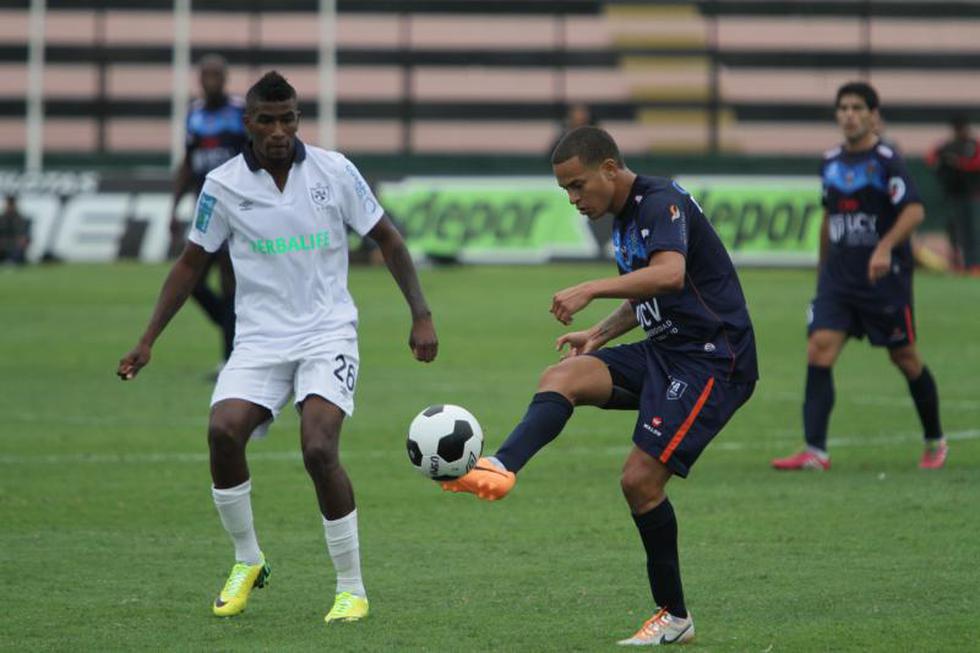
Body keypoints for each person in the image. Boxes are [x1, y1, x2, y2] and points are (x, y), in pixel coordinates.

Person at [118, 71, 438, 623]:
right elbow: (191, 263)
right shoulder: (222, 185)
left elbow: (387, 238)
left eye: (287, 118)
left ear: (297, 118)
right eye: (266, 120)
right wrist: (148, 340)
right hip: (260, 338)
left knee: (318, 448)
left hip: (327, 331)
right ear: (248, 123)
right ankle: (248, 560)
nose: (278, 130)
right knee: (222, 432)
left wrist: (421, 314)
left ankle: (351, 588)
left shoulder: (335, 171)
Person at [442, 126, 758, 646]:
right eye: (564, 189)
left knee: (639, 482)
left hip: (711, 359)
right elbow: (645, 297)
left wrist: (590, 287)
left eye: (577, 185)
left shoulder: (662, 202)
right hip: (666, 350)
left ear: (609, 169)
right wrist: (600, 332)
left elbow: (669, 275)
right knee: (563, 375)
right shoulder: (626, 217)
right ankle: (499, 467)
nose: (572, 199)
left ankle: (675, 618)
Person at [772, 82, 946, 472]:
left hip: (884, 280)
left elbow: (914, 212)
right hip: (839, 279)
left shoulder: (887, 160)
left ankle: (935, 439)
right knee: (819, 348)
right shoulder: (830, 161)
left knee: (904, 357)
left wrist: (884, 248)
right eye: (843, 107)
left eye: (856, 107)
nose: (849, 114)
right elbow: (829, 216)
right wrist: (822, 270)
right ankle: (815, 451)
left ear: (872, 115)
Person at [170, 54, 248, 374]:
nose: (211, 80)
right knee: (192, 281)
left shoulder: (240, 112)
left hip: (236, 208)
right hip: (206, 210)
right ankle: (232, 326)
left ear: (226, 77)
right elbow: (188, 163)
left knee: (229, 280)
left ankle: (229, 360)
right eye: (206, 75)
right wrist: (173, 208)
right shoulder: (194, 115)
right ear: (199, 79)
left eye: (217, 74)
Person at [926, 114, 980, 272]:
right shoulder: (947, 146)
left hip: (972, 196)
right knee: (954, 231)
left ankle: (973, 264)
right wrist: (945, 161)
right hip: (952, 196)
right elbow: (930, 158)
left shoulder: (973, 145)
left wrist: (959, 163)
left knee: (972, 231)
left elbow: (975, 164)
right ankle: (956, 263)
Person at [0, 194, 30, 265]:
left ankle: (13, 261)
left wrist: (22, 240)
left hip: (15, 243)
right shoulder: (2, 218)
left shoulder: (20, 218)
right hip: (3, 243)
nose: (10, 207)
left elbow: (24, 234)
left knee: (20, 244)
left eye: (11, 205)